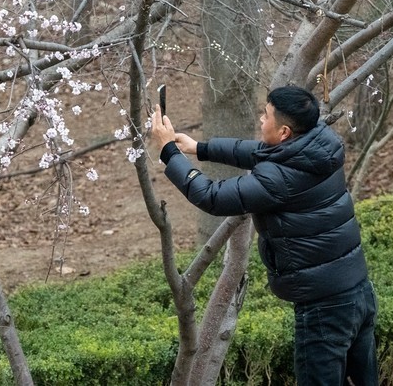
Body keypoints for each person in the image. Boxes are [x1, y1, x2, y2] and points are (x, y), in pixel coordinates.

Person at [150, 85, 377, 385]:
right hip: (358, 291)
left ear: (284, 131)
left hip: (324, 310)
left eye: (266, 115)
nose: (260, 119)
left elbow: (211, 197)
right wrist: (199, 148)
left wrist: (168, 151)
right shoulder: (321, 143)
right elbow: (260, 152)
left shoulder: (278, 179)